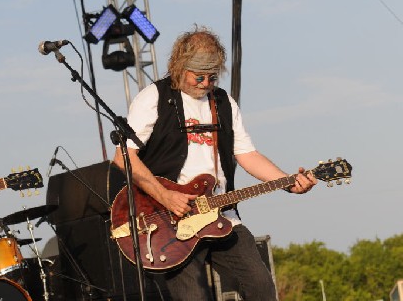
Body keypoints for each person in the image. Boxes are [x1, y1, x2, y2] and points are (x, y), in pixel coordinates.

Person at [113, 25, 317, 300]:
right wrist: (166, 196)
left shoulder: (223, 103)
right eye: (199, 77)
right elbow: (124, 159)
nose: (206, 83)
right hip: (169, 221)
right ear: (179, 66)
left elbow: (247, 155)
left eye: (211, 76)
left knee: (261, 287)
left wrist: (288, 182)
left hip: (221, 214)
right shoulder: (154, 98)